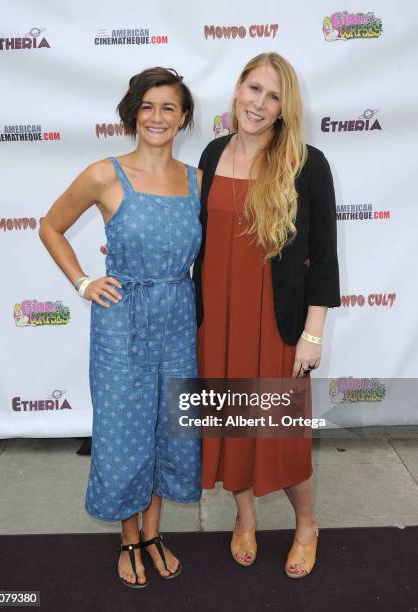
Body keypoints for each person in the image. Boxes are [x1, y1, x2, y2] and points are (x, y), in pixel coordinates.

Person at [39, 67, 202, 588]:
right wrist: (84, 281)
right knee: (123, 431)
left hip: (178, 314)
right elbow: (51, 226)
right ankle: (128, 536)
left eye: (169, 108)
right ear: (133, 112)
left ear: (183, 118)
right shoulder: (104, 175)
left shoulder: (198, 179)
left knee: (169, 428)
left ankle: (154, 533)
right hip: (121, 319)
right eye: (148, 106)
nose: (157, 117)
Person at [192, 52, 340, 578]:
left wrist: (312, 334)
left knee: (282, 435)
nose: (259, 103)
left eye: (272, 96)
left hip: (275, 322)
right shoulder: (211, 154)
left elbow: (323, 257)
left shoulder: (306, 162)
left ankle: (306, 524)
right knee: (233, 427)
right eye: (253, 89)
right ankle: (246, 518)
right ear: (236, 90)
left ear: (284, 108)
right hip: (217, 321)